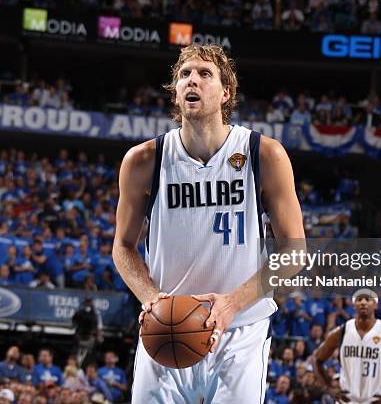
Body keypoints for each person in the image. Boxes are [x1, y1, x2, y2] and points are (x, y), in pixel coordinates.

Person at [113, 44, 304, 403]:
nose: (192, 80)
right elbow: (123, 248)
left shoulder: (264, 154)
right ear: (175, 90)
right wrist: (152, 300)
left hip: (240, 330)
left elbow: (295, 251)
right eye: (184, 74)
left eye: (204, 74)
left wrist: (231, 304)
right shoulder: (143, 160)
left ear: (225, 92)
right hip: (168, 328)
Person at [313, 289, 381, 403]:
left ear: (375, 305)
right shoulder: (341, 331)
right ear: (354, 305)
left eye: (367, 299)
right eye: (359, 299)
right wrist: (329, 388)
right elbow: (316, 360)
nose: (363, 302)